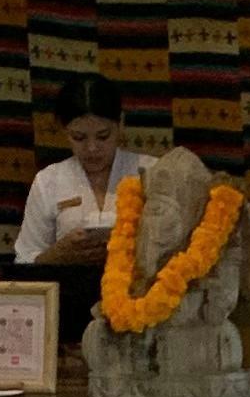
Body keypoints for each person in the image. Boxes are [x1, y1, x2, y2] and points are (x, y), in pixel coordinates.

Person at [11, 71, 153, 296]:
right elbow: (23, 265)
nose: (92, 148)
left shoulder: (151, 173)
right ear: (64, 130)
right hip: (68, 301)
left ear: (121, 123)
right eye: (79, 138)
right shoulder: (49, 181)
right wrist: (57, 256)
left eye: (103, 136)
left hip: (142, 301)